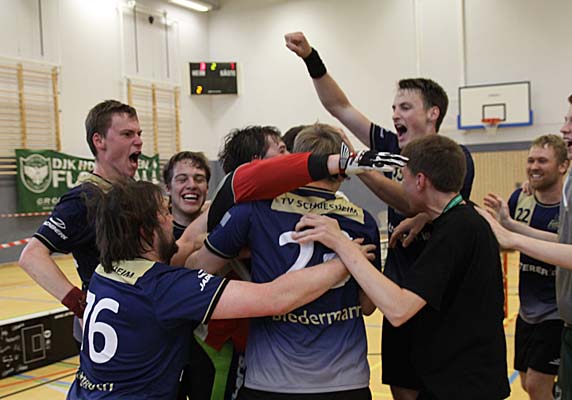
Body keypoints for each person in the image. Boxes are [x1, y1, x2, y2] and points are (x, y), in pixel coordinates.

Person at [285, 31, 475, 400]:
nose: (395, 114)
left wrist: (358, 165)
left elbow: (412, 204)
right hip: (397, 287)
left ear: (432, 113)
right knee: (401, 387)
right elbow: (339, 106)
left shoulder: (452, 158)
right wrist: (311, 58)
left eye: (405, 107)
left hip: (438, 298)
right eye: (394, 107)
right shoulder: (390, 146)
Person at [66, 179, 363, 399]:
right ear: (145, 232)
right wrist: (346, 260)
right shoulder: (165, 288)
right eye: (165, 214)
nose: (171, 220)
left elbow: (187, 243)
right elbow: (275, 298)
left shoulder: (104, 272)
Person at [294, 135, 510, 400]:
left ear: (420, 181)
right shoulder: (460, 221)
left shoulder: (457, 231)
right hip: (459, 379)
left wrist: (342, 244)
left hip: (464, 387)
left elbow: (398, 309)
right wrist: (425, 217)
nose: (400, 186)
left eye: (402, 178)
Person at [188, 124, 383, 399]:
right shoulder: (363, 220)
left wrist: (225, 248)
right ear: (342, 172)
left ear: (296, 163)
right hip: (346, 380)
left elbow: (197, 269)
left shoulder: (253, 210)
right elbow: (367, 305)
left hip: (271, 380)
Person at [480, 91, 572, 400]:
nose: (564, 128)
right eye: (565, 120)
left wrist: (512, 238)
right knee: (533, 385)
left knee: (537, 385)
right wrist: (512, 226)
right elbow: (566, 243)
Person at [18, 100, 143, 341]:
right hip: (112, 332)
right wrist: (82, 306)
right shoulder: (84, 200)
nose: (138, 141)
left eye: (139, 133)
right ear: (99, 141)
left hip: (138, 319)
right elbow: (32, 256)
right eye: (128, 134)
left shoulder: (132, 193)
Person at [484, 135, 569, 400]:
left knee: (536, 385)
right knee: (525, 382)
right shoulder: (521, 199)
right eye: (531, 160)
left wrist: (511, 229)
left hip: (559, 311)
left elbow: (569, 246)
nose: (533, 166)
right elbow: (510, 245)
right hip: (528, 311)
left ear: (563, 166)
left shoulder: (571, 206)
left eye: (542, 161)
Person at [163, 151, 212, 240]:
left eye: (199, 179)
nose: (192, 185)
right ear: (168, 188)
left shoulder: (218, 229)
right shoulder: (157, 233)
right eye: (182, 179)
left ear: (207, 188)